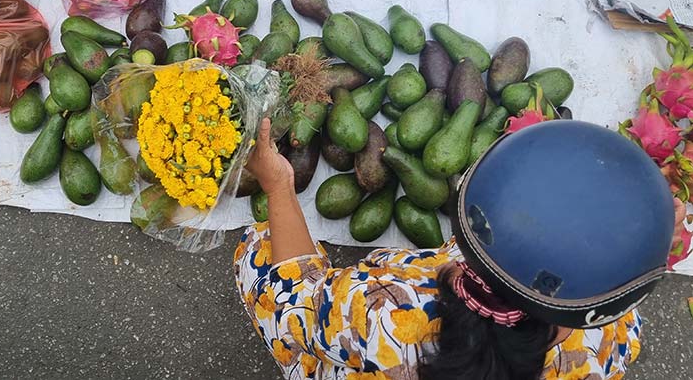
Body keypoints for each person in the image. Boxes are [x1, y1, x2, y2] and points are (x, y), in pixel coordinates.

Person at [237, 118, 680, 380]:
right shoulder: (604, 345)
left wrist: (278, 185)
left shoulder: (378, 314)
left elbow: (289, 300)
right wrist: (645, 243)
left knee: (262, 253)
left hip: (356, 339)